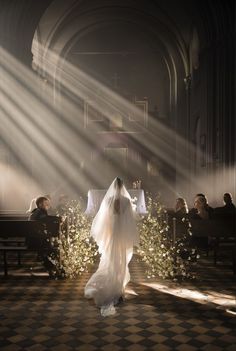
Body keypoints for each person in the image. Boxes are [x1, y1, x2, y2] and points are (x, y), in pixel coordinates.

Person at [84, 177, 139, 317]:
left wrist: (106, 235)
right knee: (121, 260)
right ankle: (118, 289)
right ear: (122, 187)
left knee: (110, 259)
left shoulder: (108, 201)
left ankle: (115, 287)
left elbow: (105, 220)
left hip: (112, 233)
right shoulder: (126, 201)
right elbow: (131, 221)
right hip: (122, 235)